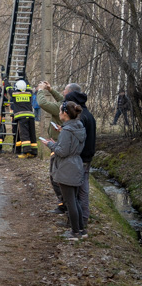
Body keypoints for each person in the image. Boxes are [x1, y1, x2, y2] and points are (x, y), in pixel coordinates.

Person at [37, 82, 96, 224]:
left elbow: (43, 103)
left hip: (77, 159)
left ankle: (78, 224)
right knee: (78, 192)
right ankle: (79, 222)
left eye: (65, 93)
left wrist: (52, 144)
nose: (63, 95)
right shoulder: (85, 114)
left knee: (77, 194)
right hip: (84, 157)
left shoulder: (77, 119)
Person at [41, 101, 87, 240]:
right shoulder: (79, 127)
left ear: (65, 113)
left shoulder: (67, 131)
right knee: (76, 200)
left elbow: (62, 152)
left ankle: (74, 232)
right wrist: (59, 142)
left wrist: (50, 144)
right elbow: (70, 146)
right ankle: (81, 230)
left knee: (70, 202)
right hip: (76, 165)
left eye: (60, 111)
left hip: (67, 168)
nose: (59, 113)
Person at [9, 79, 37, 158]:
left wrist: (5, 79)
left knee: (24, 134)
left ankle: (26, 152)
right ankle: (34, 152)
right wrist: (25, 78)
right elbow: (29, 87)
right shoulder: (29, 93)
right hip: (30, 116)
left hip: (21, 117)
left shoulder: (14, 94)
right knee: (32, 134)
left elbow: (8, 88)